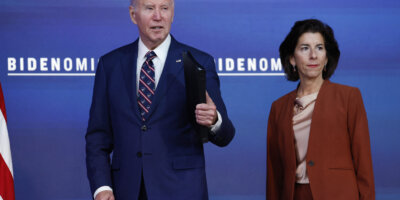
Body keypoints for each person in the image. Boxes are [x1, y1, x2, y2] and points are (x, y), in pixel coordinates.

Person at [85, 0, 235, 199]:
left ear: (172, 14)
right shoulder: (110, 65)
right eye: (149, 8)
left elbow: (226, 135)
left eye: (164, 8)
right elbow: (98, 137)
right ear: (133, 14)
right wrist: (102, 187)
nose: (158, 16)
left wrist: (214, 120)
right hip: (126, 191)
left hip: (181, 191)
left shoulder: (199, 62)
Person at [266, 19, 375, 200]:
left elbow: (363, 163)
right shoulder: (279, 108)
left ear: (326, 57)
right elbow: (274, 171)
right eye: (304, 48)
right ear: (292, 58)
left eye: (319, 48)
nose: (313, 55)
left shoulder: (349, 97)